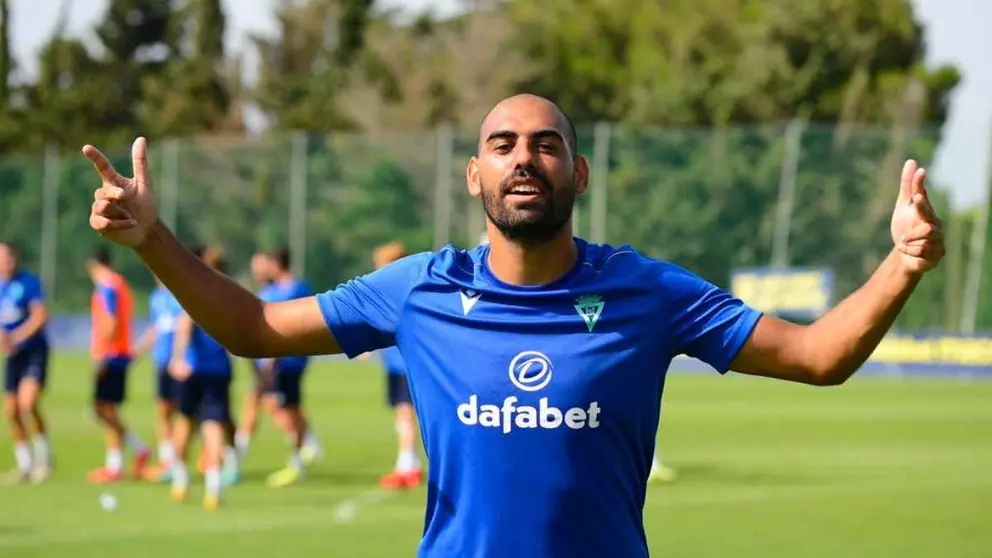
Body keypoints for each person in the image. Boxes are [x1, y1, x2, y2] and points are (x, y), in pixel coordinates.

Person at [82, 93, 944, 557]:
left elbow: (818, 354)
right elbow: (259, 329)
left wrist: (901, 262)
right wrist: (153, 240)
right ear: (473, 175)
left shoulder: (646, 291)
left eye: (543, 144)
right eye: (502, 144)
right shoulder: (417, 289)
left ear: (579, 172)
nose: (523, 157)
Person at [168, 246, 238, 510]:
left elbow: (185, 325)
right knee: (214, 426)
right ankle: (214, 487)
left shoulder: (196, 288)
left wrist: (178, 358)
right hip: (219, 371)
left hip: (194, 370)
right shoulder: (232, 293)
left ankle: (181, 481)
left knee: (185, 424)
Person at [253, 247, 323, 489]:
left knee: (285, 407)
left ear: (275, 263)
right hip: (273, 360)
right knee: (282, 405)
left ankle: (299, 457)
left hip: (286, 361)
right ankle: (308, 445)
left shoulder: (295, 289)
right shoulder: (271, 290)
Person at [85, 246, 150, 484]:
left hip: (112, 355)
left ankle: (132, 453)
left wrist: (103, 355)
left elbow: (111, 323)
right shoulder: (120, 285)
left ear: (95, 266)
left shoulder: (108, 287)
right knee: (106, 410)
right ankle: (117, 463)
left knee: (103, 410)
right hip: (119, 353)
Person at [366, 242, 422, 490]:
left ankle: (407, 467)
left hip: (405, 366)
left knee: (405, 415)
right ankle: (409, 463)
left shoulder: (404, 293)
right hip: (394, 366)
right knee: (403, 415)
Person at [0, 242, 53, 483]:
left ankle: (44, 459)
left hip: (33, 351)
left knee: (28, 403)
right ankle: (25, 464)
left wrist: (16, 337)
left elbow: (40, 316)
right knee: (11, 410)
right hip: (13, 356)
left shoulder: (28, 282)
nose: (6, 261)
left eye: (9, 256)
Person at [133, 277, 183, 477]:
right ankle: (167, 461)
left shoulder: (182, 295)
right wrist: (138, 349)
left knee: (187, 414)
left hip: (180, 364)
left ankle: (204, 455)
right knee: (163, 412)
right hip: (162, 363)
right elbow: (156, 328)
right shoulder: (156, 298)